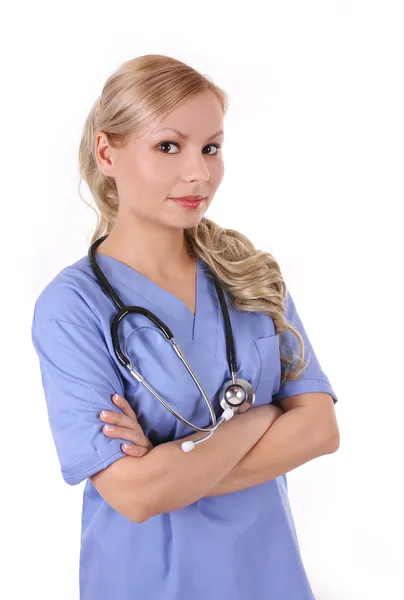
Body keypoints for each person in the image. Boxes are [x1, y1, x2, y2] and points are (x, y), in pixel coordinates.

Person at [31, 54, 340, 600]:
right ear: (108, 151)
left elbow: (319, 429)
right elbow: (134, 496)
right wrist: (260, 418)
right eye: (169, 146)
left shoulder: (248, 274)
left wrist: (173, 470)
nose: (198, 172)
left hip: (269, 580)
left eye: (211, 148)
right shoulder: (73, 307)